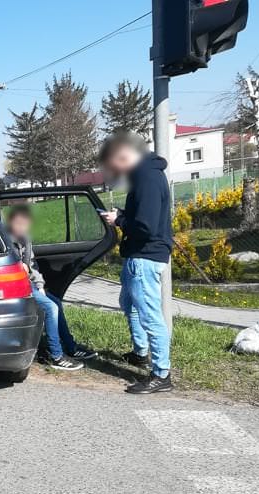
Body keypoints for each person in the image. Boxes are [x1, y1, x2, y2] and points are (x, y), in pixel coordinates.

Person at [98, 132, 173, 394]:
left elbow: (146, 227)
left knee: (150, 316)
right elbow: (143, 216)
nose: (113, 170)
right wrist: (122, 214)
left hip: (145, 257)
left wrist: (119, 221)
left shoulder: (147, 178)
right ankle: (140, 353)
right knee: (129, 304)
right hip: (139, 256)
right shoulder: (143, 174)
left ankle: (161, 374)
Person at [7, 204, 97, 371]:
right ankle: (56, 355)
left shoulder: (25, 239)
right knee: (51, 308)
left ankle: (71, 347)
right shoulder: (6, 241)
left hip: (30, 283)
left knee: (56, 302)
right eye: (18, 223)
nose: (22, 227)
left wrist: (40, 285)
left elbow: (32, 266)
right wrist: (21, 270)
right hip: (16, 285)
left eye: (25, 223)